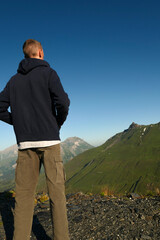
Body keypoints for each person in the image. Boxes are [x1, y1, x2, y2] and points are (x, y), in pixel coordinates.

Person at [0, 39, 70, 240]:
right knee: (57, 194)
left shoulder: (14, 81)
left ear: (25, 56)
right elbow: (63, 102)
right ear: (40, 53)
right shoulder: (49, 74)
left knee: (23, 197)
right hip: (50, 142)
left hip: (25, 145)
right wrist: (57, 123)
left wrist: (18, 122)